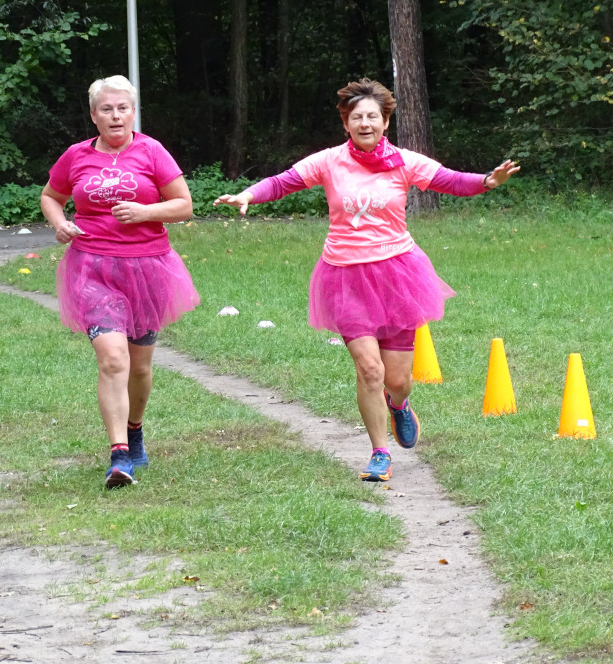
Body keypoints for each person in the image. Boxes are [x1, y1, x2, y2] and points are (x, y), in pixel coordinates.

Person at [214, 78, 519, 483]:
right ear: (346, 124)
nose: (365, 123)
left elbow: (448, 179)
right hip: (344, 276)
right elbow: (283, 181)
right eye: (356, 117)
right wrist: (249, 195)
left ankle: (399, 405)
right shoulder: (328, 161)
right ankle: (379, 451)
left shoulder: (405, 162)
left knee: (397, 379)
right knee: (369, 371)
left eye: (372, 116)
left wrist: (486, 182)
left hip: (397, 275)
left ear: (385, 121)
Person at [41, 75, 200, 489]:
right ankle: (119, 455)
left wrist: (145, 212)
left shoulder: (152, 151)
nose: (115, 116)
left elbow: (183, 206)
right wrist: (60, 224)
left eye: (122, 108)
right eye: (106, 109)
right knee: (113, 358)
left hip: (147, 269)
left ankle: (135, 428)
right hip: (91, 268)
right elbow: (51, 196)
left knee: (140, 367)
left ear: (133, 112)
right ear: (94, 116)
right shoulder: (76, 156)